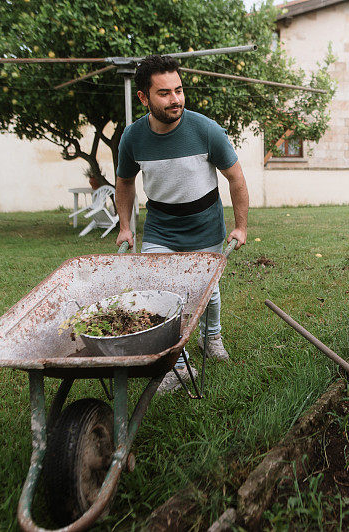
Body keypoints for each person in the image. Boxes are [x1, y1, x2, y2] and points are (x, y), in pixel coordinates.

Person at [115, 54, 248, 394]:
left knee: (209, 293)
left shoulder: (206, 130)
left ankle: (212, 336)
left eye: (179, 90)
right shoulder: (132, 138)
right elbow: (126, 182)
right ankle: (178, 364)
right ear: (144, 97)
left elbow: (235, 177)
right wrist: (125, 227)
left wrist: (241, 226)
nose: (175, 99)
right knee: (164, 294)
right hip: (161, 226)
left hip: (206, 226)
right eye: (164, 93)